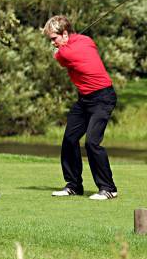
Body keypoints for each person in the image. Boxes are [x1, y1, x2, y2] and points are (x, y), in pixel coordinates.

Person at [43, 15, 119, 200]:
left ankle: (108, 188)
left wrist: (61, 49)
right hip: (85, 99)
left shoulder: (65, 53)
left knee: (92, 142)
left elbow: (60, 58)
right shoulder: (86, 40)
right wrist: (66, 43)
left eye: (54, 38)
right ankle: (74, 185)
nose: (53, 43)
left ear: (65, 33)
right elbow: (79, 44)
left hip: (103, 97)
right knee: (69, 139)